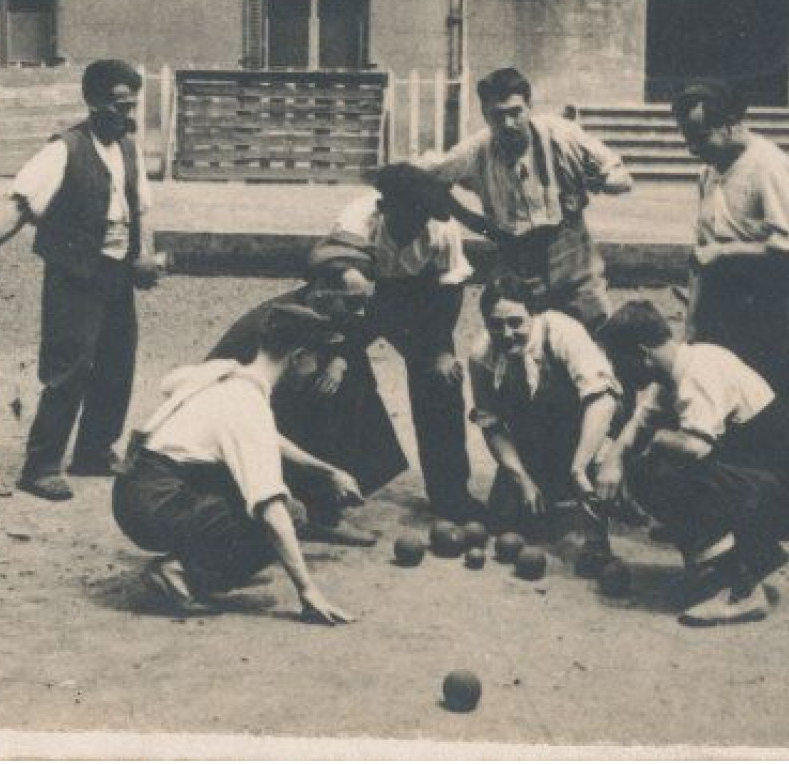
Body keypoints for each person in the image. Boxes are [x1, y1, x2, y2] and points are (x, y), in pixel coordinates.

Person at [0, 59, 161, 502]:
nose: (129, 114)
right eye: (121, 105)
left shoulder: (129, 148)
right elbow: (17, 211)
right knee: (68, 370)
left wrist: (144, 254)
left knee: (117, 365)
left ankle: (94, 452)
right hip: (75, 274)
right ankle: (40, 466)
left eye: (133, 104)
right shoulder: (63, 150)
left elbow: (141, 208)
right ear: (95, 103)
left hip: (117, 272)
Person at [111, 303, 355, 624]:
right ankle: (183, 574)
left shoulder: (224, 371)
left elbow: (170, 383)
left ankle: (202, 560)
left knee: (234, 483)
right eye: (316, 358)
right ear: (297, 358)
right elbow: (272, 509)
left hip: (133, 486)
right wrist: (308, 590)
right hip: (157, 503)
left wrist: (328, 472)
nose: (317, 368)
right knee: (290, 514)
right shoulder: (248, 406)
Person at [596, 299, 789, 627]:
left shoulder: (697, 376)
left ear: (642, 354)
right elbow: (637, 424)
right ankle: (728, 565)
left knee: (662, 472)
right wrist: (613, 462)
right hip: (769, 482)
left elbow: (694, 448)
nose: (617, 371)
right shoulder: (677, 368)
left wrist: (651, 442)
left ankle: (742, 589)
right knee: (643, 462)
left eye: (618, 360)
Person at [672, 81, 789, 504]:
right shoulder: (710, 168)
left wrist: (725, 254)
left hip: (769, 301)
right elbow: (704, 240)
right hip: (723, 299)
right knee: (720, 390)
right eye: (686, 138)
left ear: (731, 125)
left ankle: (786, 495)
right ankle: (727, 489)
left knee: (773, 396)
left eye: (700, 136)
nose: (693, 148)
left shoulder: (768, 166)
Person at [205, 246, 407, 545]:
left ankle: (332, 491)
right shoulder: (284, 320)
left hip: (270, 392)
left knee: (349, 381)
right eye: (353, 303)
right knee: (323, 402)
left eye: (365, 303)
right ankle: (319, 513)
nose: (361, 313)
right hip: (233, 404)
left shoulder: (323, 306)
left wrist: (339, 361)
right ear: (323, 291)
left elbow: (348, 334)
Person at [323, 163, 484, 523]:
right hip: (363, 298)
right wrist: (339, 351)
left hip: (421, 298)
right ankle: (332, 486)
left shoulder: (441, 228)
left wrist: (440, 351)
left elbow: (451, 288)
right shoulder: (355, 222)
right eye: (408, 217)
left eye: (421, 217)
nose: (416, 225)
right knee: (331, 375)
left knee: (441, 384)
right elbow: (327, 280)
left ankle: (450, 493)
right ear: (384, 207)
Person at [427, 67, 631, 330]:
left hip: (572, 253)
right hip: (515, 256)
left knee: (593, 334)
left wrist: (604, 181)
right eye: (497, 116)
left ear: (529, 106)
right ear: (484, 114)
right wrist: (468, 217)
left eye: (515, 112)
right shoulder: (475, 150)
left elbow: (621, 176)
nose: (508, 124)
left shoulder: (562, 135)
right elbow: (430, 176)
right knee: (512, 334)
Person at [468, 271, 622, 566]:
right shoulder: (481, 354)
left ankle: (612, 491)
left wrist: (580, 467)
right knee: (505, 522)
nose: (506, 334)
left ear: (533, 315)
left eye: (515, 323)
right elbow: (492, 424)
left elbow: (601, 402)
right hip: (535, 438)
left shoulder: (563, 332)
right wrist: (522, 478)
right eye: (496, 325)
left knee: (580, 537)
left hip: (585, 434)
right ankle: (543, 481)